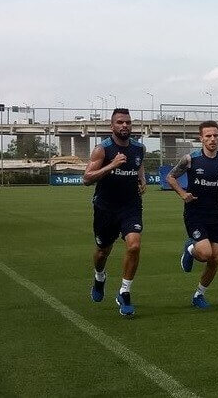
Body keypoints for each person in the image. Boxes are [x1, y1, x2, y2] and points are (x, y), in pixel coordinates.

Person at [166, 121, 218, 309]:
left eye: (215, 136)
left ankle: (199, 295)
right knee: (204, 254)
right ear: (201, 138)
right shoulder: (190, 159)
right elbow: (170, 177)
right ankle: (190, 249)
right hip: (195, 213)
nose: (212, 139)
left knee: (215, 258)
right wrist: (182, 194)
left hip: (217, 215)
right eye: (208, 136)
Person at [83, 108, 147, 316]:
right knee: (103, 251)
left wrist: (142, 178)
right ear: (112, 126)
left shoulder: (139, 148)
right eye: (120, 122)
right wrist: (111, 165)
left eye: (128, 122)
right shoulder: (102, 149)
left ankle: (124, 292)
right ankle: (99, 276)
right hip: (106, 207)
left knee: (134, 245)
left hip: (130, 205)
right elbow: (87, 178)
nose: (124, 125)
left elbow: (139, 165)